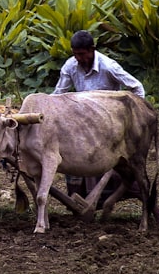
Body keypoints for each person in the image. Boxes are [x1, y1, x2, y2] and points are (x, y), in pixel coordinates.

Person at [54, 30, 145, 203]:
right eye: (75, 54)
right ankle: (81, 201)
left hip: (108, 123)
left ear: (91, 50)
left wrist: (136, 117)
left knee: (119, 167)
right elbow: (58, 94)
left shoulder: (108, 66)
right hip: (83, 122)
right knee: (72, 159)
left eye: (82, 54)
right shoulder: (70, 66)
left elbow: (137, 87)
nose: (79, 58)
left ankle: (149, 204)